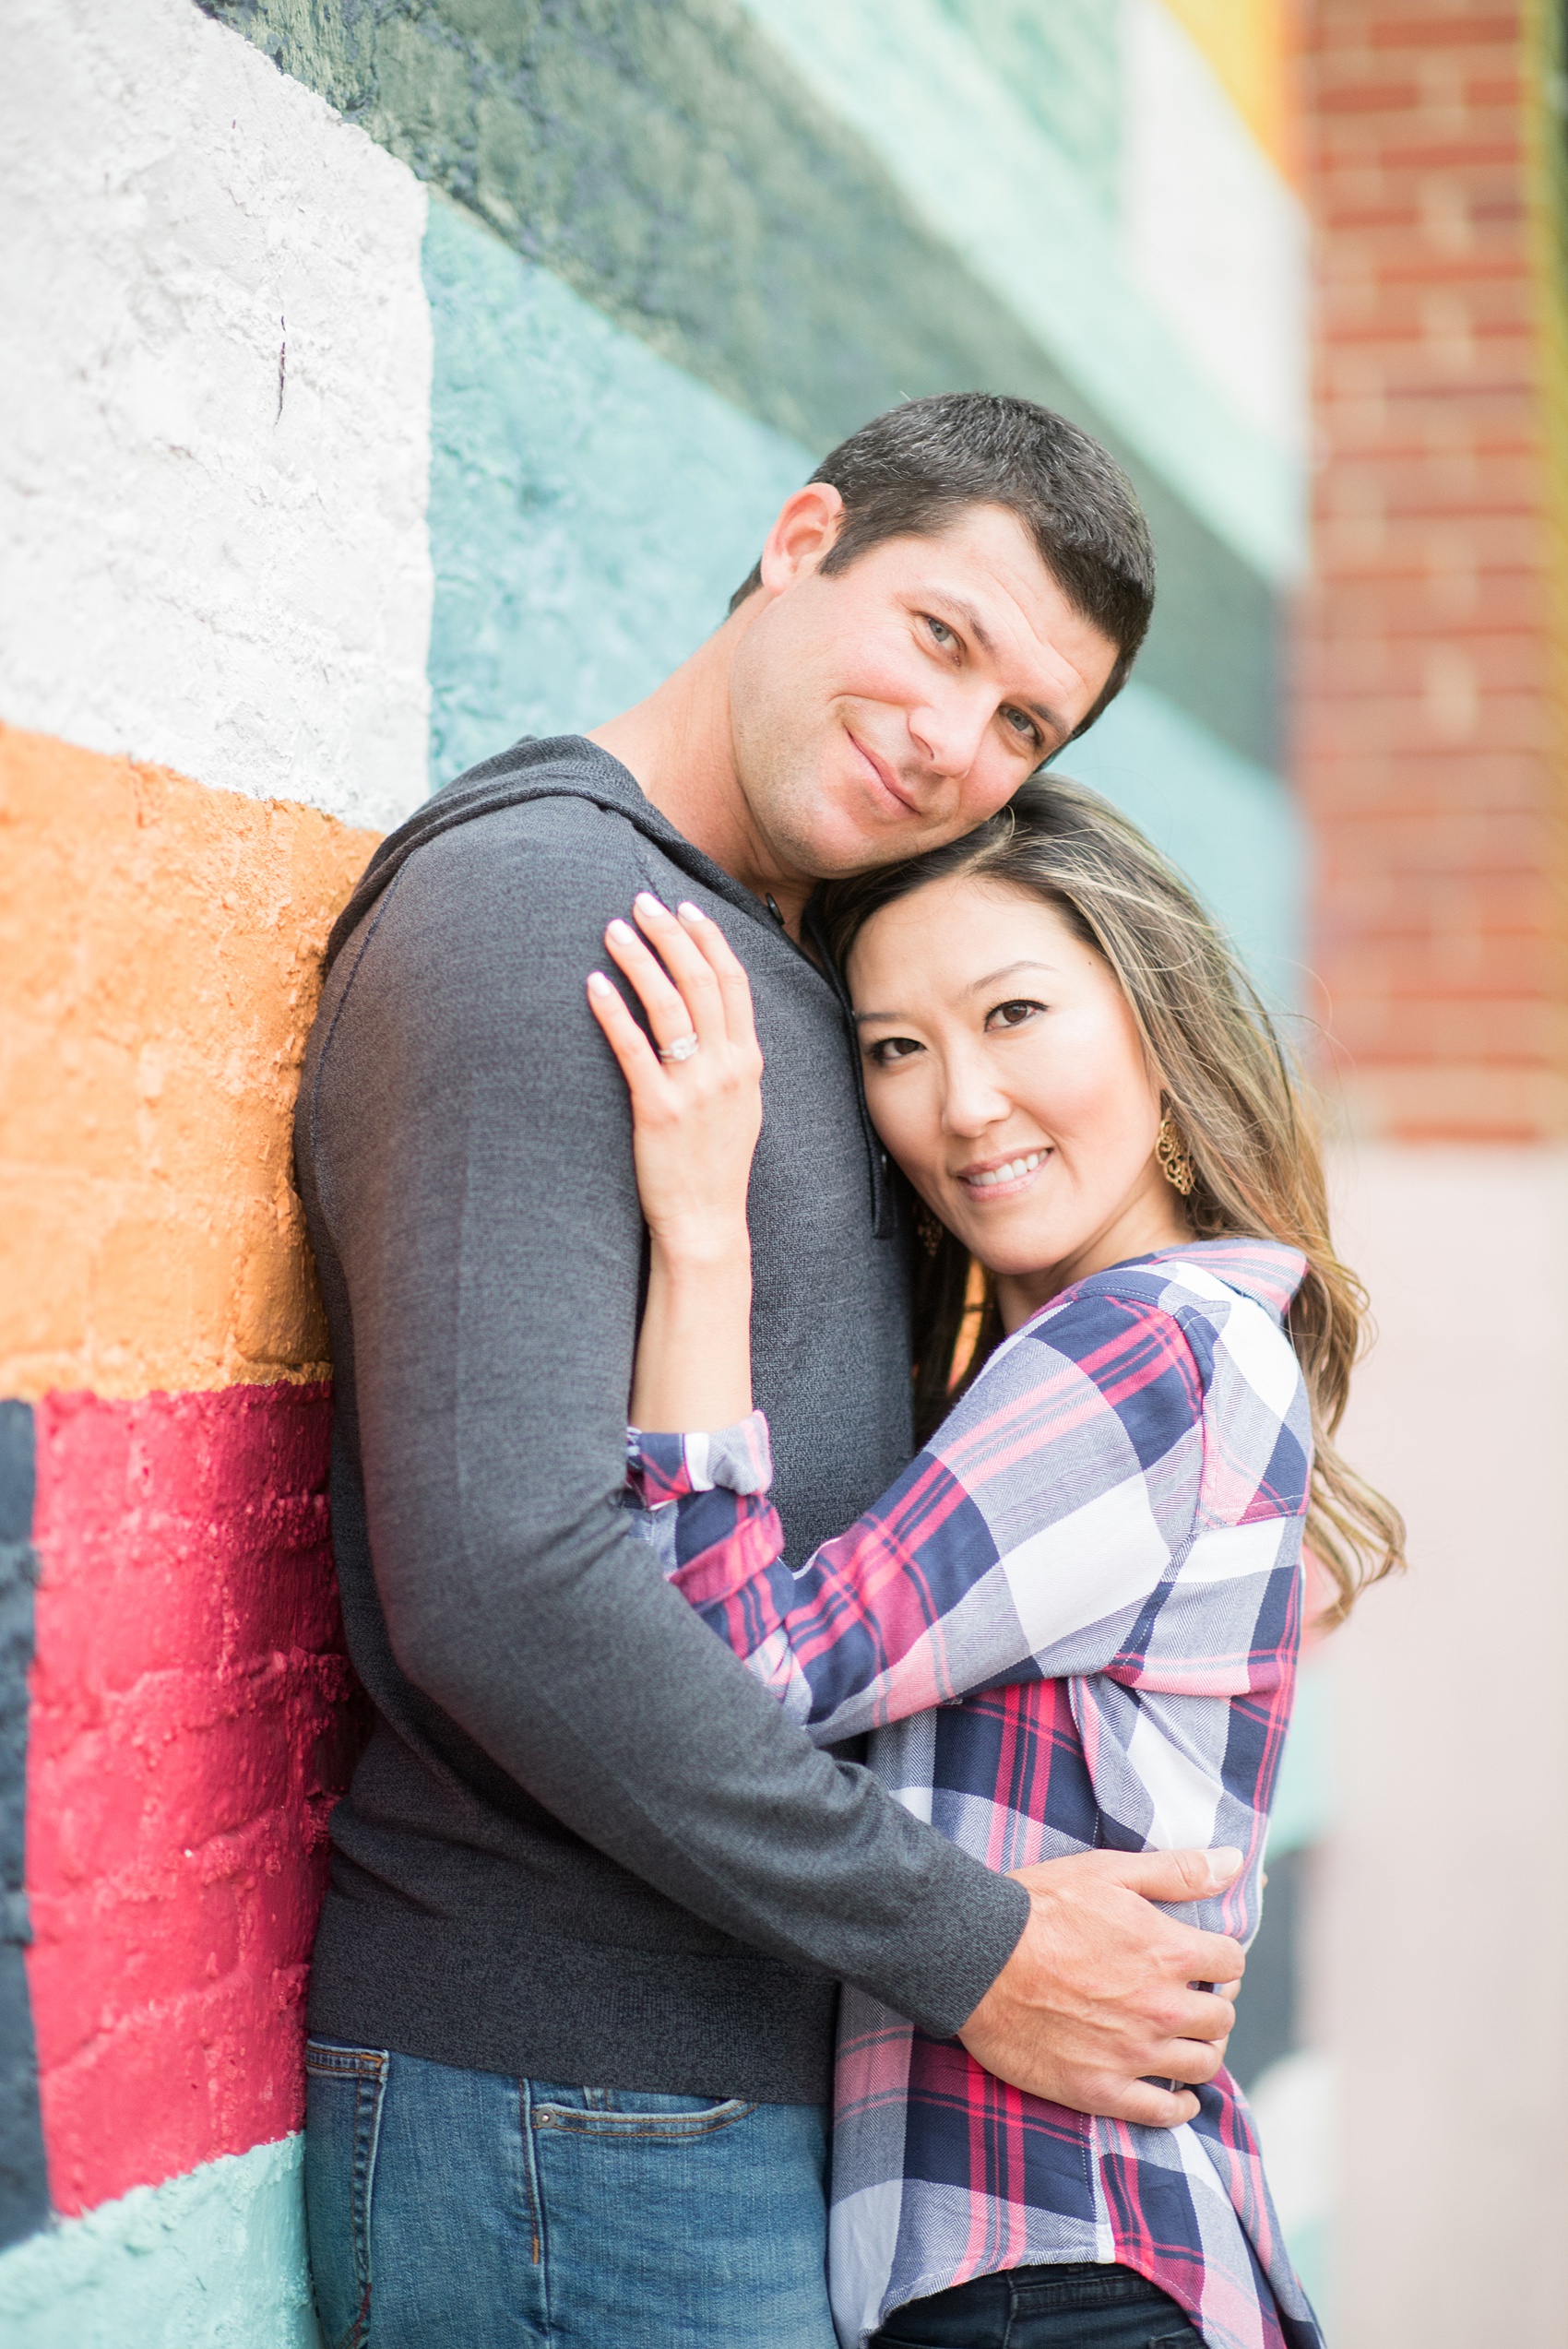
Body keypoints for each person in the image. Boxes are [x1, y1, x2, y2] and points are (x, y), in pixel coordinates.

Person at [294, 396, 1256, 2348]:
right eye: (941, 636)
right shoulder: (545, 908)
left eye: (1022, 727)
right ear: (802, 536)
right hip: (570, 2095)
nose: (952, 741)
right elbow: (503, 1583)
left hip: (720, 2090)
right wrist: (971, 1946)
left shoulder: (792, 951)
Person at [588, 773, 1404, 2349]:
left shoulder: (1146, 1350)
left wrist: (699, 1229)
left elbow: (732, 1682)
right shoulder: (1154, 1349)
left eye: (1015, 1012)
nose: (960, 1104)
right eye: (897, 1048)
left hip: (1054, 2274)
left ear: (1159, 1034)